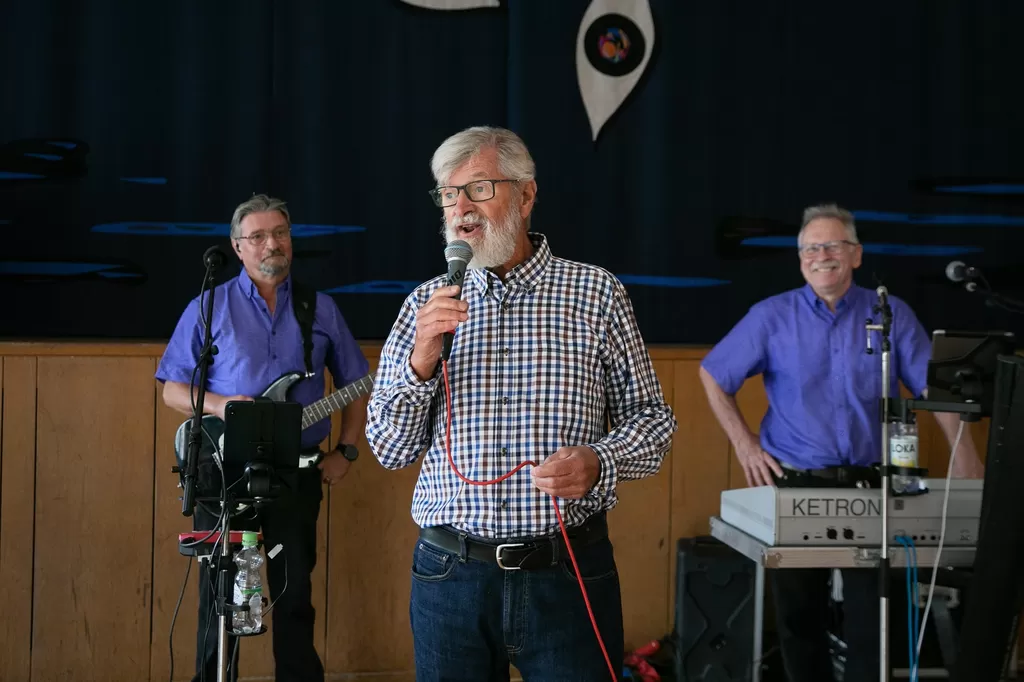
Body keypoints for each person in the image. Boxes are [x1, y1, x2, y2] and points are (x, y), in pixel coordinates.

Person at [364, 126, 677, 681]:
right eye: (447, 193)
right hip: (449, 577)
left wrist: (600, 460)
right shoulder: (424, 305)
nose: (458, 207)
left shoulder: (597, 294)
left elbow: (653, 423)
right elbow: (389, 449)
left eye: (478, 188)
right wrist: (420, 361)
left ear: (527, 195)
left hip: (568, 571)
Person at [699, 203, 984, 682]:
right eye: (811, 247)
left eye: (833, 245)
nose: (821, 255)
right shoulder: (771, 316)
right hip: (793, 484)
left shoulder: (889, 314)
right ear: (800, 259)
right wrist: (745, 445)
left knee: (873, 619)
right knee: (798, 620)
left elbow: (935, 390)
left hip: (874, 488)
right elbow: (713, 373)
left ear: (855, 254)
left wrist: (967, 459)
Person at [155, 194, 370, 682]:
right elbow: (172, 389)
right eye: (258, 236)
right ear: (237, 246)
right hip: (224, 473)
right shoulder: (210, 305)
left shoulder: (321, 308)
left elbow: (358, 385)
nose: (271, 243)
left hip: (298, 472)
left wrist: (348, 450)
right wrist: (224, 407)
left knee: (294, 594)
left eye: (280, 233)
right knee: (220, 593)